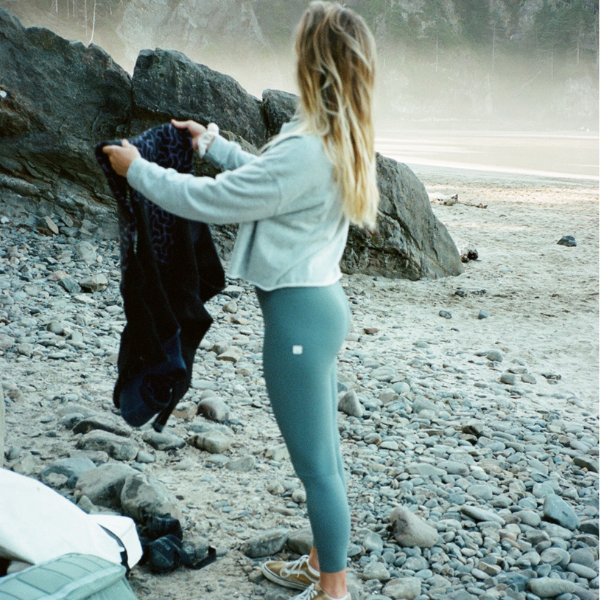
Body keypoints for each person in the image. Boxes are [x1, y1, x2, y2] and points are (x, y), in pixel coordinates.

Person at [102, 2, 378, 599]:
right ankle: (322, 566)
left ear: (314, 61)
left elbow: (216, 202)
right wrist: (215, 144)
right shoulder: (332, 131)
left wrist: (137, 170)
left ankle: (334, 589)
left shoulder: (311, 146)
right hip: (319, 307)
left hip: (299, 322)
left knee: (318, 467)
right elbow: (266, 181)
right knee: (324, 458)